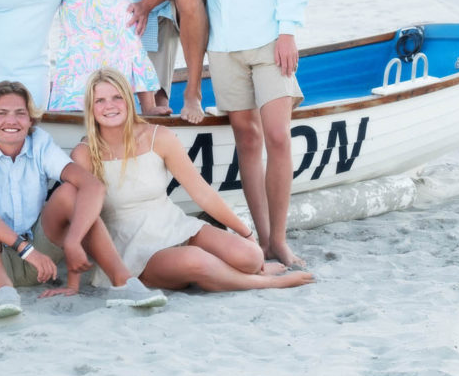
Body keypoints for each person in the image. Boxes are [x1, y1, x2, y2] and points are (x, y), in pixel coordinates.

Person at [66, 68, 314, 292]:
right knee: (196, 259)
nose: (110, 106)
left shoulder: (158, 137)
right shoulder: (84, 153)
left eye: (117, 97)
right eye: (100, 100)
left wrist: (247, 234)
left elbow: (202, 193)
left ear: (129, 101)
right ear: (91, 107)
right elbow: (84, 216)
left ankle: (244, 269)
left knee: (249, 256)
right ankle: (264, 282)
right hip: (133, 248)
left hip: (174, 227)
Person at [190, 0, 311, 269]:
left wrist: (288, 30)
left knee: (278, 135)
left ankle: (280, 240)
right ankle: (262, 241)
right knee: (246, 138)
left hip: (268, 39)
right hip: (223, 46)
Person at [0, 80, 168, 319]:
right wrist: (25, 249)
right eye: (1, 114)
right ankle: (4, 293)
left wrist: (73, 241)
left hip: (38, 267)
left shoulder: (39, 143)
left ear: (30, 120)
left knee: (71, 193)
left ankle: (123, 284)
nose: (12, 121)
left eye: (20, 113)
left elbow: (92, 186)